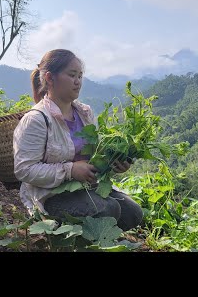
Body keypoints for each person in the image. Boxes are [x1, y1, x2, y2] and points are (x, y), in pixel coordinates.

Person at [13, 49, 143, 231]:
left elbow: (95, 155)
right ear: (50, 78)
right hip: (51, 195)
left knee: (133, 213)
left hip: (87, 187)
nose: (78, 82)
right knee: (108, 210)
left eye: (80, 76)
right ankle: (72, 238)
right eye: (72, 75)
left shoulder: (85, 113)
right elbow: (24, 170)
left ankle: (98, 239)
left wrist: (114, 164)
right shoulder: (37, 119)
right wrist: (70, 170)